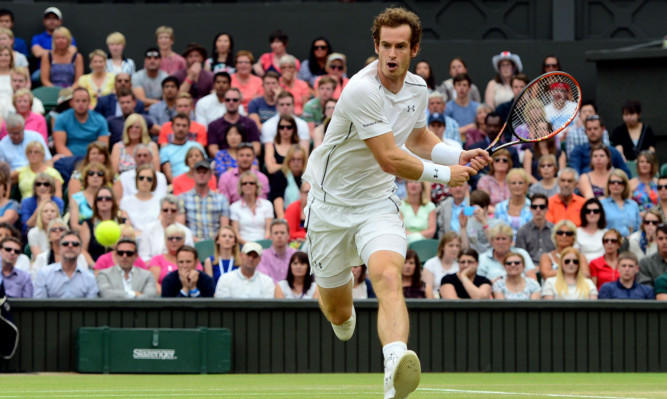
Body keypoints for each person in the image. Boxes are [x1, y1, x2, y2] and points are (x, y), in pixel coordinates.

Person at [302, 8, 489, 398]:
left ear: (413, 49)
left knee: (388, 276)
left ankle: (394, 365)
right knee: (338, 314)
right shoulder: (360, 90)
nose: (391, 54)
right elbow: (390, 157)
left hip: (377, 203)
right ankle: (341, 311)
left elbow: (418, 139)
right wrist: (445, 176)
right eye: (384, 45)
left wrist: (459, 155)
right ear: (376, 46)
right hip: (328, 207)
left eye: (400, 46)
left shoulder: (418, 89)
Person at [32, 231, 98, 298]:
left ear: (80, 249)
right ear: (60, 249)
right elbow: (39, 305)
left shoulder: (89, 278)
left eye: (75, 244)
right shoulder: (44, 274)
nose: (70, 246)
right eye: (65, 244)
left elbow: (91, 306)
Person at [179, 160, 230, 241]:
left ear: (210, 175)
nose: (201, 175)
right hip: (191, 244)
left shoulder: (221, 199)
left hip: (216, 244)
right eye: (198, 172)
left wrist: (214, 242)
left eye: (204, 172)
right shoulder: (182, 198)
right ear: (193, 174)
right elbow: (180, 228)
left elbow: (224, 228)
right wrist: (196, 241)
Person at [53, 88, 110, 157]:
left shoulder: (100, 120)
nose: (80, 104)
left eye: (84, 101)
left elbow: (103, 147)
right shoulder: (61, 118)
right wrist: (74, 161)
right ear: (72, 102)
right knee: (56, 159)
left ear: (89, 102)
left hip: (93, 159)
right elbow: (60, 146)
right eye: (77, 101)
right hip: (68, 160)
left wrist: (88, 161)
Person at [207, 87, 261, 157]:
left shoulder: (250, 123)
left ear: (240, 101)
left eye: (235, 100)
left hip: (247, 162)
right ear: (224, 101)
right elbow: (212, 150)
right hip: (223, 163)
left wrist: (243, 159)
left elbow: (257, 148)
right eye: (228, 100)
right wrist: (229, 159)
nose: (231, 102)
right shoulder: (214, 125)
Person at [158, 113, 207, 182]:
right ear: (172, 127)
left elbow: (205, 166)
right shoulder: (165, 150)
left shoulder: (197, 146)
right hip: (177, 184)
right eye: (178, 125)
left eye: (184, 126)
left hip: (199, 182)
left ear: (189, 128)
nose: (181, 128)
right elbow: (168, 175)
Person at [79, 186, 122, 263]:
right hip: (94, 267)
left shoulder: (122, 222)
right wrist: (94, 266)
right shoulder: (87, 223)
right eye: (100, 198)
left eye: (107, 198)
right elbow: (82, 250)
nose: (103, 200)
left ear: (113, 202)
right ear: (96, 202)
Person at [230, 171, 274, 245]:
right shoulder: (234, 207)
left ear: (256, 186)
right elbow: (236, 234)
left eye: (251, 183)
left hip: (264, 244)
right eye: (244, 183)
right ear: (241, 187)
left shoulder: (267, 205)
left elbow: (268, 230)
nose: (248, 185)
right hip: (243, 245)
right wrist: (250, 245)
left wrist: (262, 244)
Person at [69, 162, 112, 231]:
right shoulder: (76, 198)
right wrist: (92, 232)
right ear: (86, 177)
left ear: (103, 178)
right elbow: (74, 226)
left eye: (100, 174)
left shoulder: (108, 197)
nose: (95, 176)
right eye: (91, 173)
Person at [515, 193, 555, 265]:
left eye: (542, 207)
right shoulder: (523, 231)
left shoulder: (555, 230)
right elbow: (520, 255)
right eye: (534, 207)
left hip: (552, 266)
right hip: (529, 267)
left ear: (547, 209)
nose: (538, 209)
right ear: (530, 209)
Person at [119, 164, 160, 233]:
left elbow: (158, 225)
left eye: (149, 179)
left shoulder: (160, 202)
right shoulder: (125, 201)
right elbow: (126, 224)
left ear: (153, 182)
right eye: (141, 178)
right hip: (132, 237)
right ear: (136, 180)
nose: (145, 181)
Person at [269, 144, 307, 219]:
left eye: (299, 159)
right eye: (293, 159)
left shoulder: (308, 176)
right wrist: (282, 218)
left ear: (304, 161)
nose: (296, 162)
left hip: (306, 215)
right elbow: (278, 198)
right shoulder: (280, 175)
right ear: (288, 161)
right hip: (287, 215)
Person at [493, 168, 532, 238]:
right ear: (508, 185)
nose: (517, 186)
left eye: (520, 183)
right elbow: (496, 231)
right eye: (513, 183)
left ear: (526, 185)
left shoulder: (533, 207)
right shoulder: (499, 207)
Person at [600, 170, 640, 237]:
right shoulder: (602, 204)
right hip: (610, 243)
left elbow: (638, 228)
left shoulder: (633, 205)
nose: (616, 184)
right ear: (608, 185)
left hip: (631, 242)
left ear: (625, 185)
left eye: (619, 182)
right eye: (612, 182)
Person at [422, 232, 460, 297]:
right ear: (442, 247)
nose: (455, 249)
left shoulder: (461, 264)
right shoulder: (431, 264)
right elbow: (427, 290)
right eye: (451, 245)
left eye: (457, 246)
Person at [445, 73, 479, 138]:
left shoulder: (477, 107)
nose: (461, 88)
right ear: (454, 87)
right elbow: (447, 131)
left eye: (464, 85)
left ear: (469, 88)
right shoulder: (447, 107)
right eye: (458, 85)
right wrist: (470, 127)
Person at [575, 197, 608, 262]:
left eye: (596, 211)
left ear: (601, 213)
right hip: (583, 268)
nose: (592, 213)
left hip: (602, 267)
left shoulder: (606, 233)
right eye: (588, 211)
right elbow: (575, 256)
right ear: (584, 213)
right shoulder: (576, 232)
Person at [638, 223, 667, 287]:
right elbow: (645, 289)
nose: (664, 242)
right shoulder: (646, 262)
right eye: (661, 238)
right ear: (656, 240)